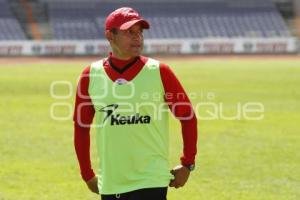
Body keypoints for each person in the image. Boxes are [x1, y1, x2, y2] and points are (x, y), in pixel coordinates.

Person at [73, 7, 198, 200]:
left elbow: (188, 118)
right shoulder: (90, 75)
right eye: (129, 32)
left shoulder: (160, 71)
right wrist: (86, 173)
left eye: (140, 32)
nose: (137, 37)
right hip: (112, 181)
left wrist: (188, 163)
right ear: (110, 35)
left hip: (152, 179)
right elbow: (81, 128)